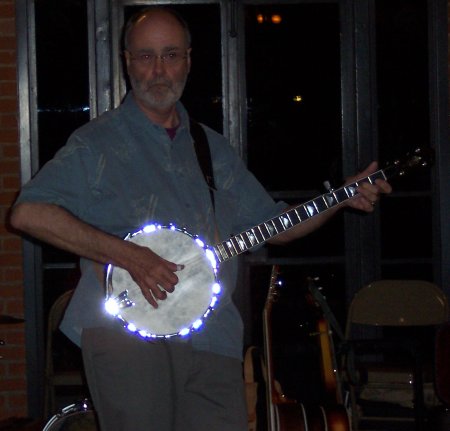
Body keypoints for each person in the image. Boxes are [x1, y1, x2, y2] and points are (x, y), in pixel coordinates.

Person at [10, 6, 392, 431]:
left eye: (170, 55)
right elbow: (29, 213)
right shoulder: (96, 144)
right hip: (127, 335)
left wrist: (340, 198)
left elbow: (275, 225)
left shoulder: (210, 147)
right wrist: (129, 256)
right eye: (146, 56)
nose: (158, 70)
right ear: (126, 61)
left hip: (213, 337)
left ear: (189, 60)